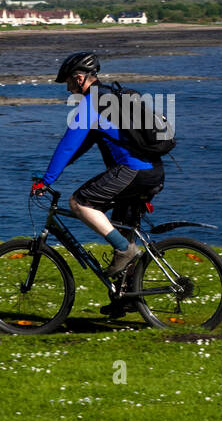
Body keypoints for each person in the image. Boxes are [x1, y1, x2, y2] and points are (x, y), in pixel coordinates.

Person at [31, 51, 165, 277]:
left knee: (79, 202)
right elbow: (81, 146)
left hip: (133, 172)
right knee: (120, 227)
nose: (68, 89)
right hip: (153, 171)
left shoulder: (92, 103)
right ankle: (127, 296)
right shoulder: (110, 97)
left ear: (79, 78)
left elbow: (67, 145)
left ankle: (124, 250)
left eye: (69, 82)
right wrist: (57, 172)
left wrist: (46, 181)